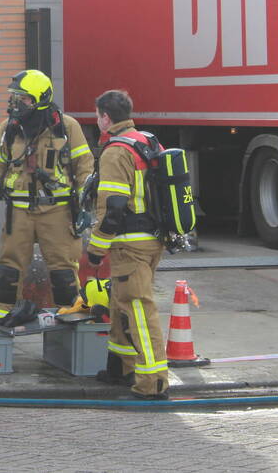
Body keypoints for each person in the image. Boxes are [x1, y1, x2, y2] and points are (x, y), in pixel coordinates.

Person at [0, 69, 94, 322]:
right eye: (15, 98)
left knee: (63, 272)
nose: (17, 104)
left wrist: (85, 206)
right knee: (8, 271)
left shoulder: (66, 127)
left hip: (57, 210)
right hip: (18, 212)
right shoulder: (8, 128)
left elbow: (85, 167)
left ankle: (71, 323)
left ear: (41, 98)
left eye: (24, 98)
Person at [86, 89, 169, 399]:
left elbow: (113, 208)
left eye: (97, 116)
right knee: (121, 302)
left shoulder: (115, 152)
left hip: (130, 245)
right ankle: (121, 368)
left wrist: (95, 249)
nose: (97, 121)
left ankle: (153, 381)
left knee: (138, 308)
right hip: (151, 240)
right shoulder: (147, 141)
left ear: (106, 118)